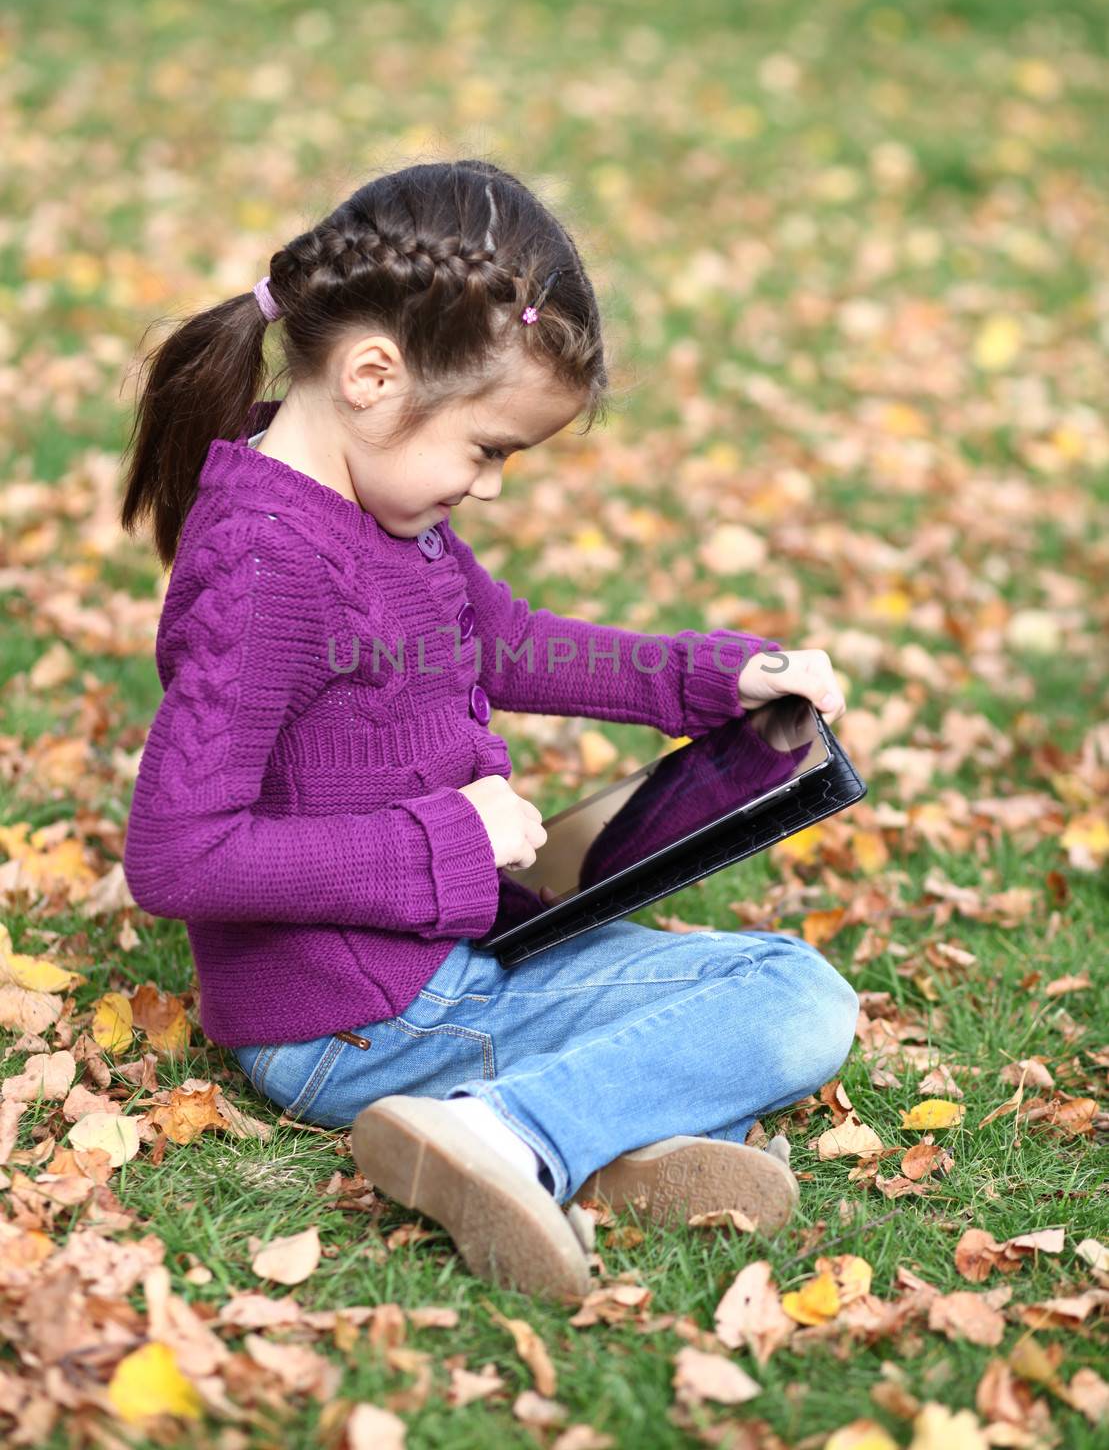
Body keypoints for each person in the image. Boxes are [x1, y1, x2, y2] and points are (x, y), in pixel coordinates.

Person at [118, 159, 859, 1305]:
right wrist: (444, 843)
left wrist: (715, 677)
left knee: (745, 991)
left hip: (448, 970)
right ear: (373, 375)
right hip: (354, 1017)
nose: (492, 488)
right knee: (793, 996)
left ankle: (580, 1140)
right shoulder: (268, 566)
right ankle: (500, 1138)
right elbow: (177, 855)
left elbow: (505, 640)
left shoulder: (367, 506)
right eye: (487, 450)